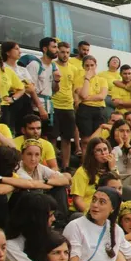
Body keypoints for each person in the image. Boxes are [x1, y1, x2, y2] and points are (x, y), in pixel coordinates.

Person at [15, 138, 71, 224]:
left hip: (38, 200)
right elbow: (31, 184)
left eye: (37, 155)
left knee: (60, 188)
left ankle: (60, 221)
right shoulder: (18, 167)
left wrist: (46, 181)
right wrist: (50, 182)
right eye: (29, 154)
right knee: (33, 192)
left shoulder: (40, 167)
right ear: (22, 155)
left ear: (41, 156)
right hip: (21, 206)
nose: (33, 159)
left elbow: (65, 180)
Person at [1, 41, 45, 136]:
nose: (20, 52)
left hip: (25, 102)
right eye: (16, 49)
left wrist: (21, 87)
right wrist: (22, 87)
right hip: (10, 103)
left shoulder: (22, 69)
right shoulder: (3, 68)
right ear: (7, 52)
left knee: (26, 128)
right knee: (10, 129)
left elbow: (31, 88)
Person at [24, 37, 59, 143]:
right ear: (45, 49)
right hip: (37, 107)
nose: (56, 50)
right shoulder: (35, 64)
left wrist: (57, 81)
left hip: (49, 106)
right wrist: (40, 107)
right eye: (53, 47)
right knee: (34, 136)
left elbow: (55, 90)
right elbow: (31, 89)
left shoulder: (53, 66)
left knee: (47, 136)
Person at [51, 41, 80, 170]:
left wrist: (76, 102)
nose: (65, 55)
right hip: (53, 105)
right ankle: (52, 165)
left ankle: (66, 166)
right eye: (62, 52)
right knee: (52, 137)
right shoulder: (52, 66)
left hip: (68, 107)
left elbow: (75, 89)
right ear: (57, 52)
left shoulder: (73, 69)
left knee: (67, 139)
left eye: (67, 52)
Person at [71, 138, 116, 214]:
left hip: (107, 211)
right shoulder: (82, 172)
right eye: (99, 150)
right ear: (92, 154)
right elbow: (77, 200)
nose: (103, 153)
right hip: (87, 211)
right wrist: (92, 213)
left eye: (105, 149)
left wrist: (112, 169)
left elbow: (117, 193)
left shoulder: (113, 169)